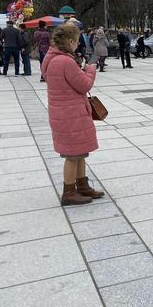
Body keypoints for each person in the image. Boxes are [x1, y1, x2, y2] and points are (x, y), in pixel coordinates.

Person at [41, 23, 104, 205]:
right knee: (72, 155)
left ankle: (82, 185)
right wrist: (90, 70)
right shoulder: (65, 61)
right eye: (76, 41)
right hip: (70, 115)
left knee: (79, 152)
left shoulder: (53, 58)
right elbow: (84, 85)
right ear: (70, 41)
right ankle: (69, 192)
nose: (77, 45)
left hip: (66, 113)